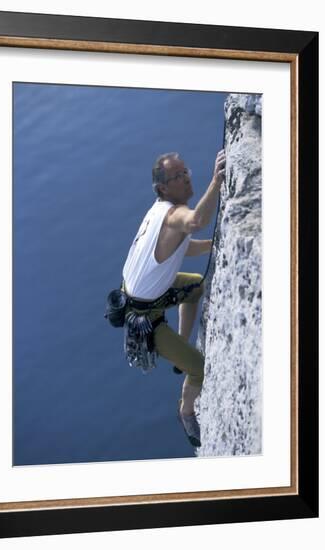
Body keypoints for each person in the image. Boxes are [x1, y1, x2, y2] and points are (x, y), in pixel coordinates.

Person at [121, 149, 226, 447]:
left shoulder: (158, 211)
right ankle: (186, 411)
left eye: (185, 172)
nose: (185, 179)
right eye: (177, 177)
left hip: (144, 294)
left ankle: (181, 340)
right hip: (145, 318)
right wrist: (216, 181)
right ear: (162, 188)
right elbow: (194, 222)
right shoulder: (174, 214)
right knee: (200, 368)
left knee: (195, 287)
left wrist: (213, 245)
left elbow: (182, 245)